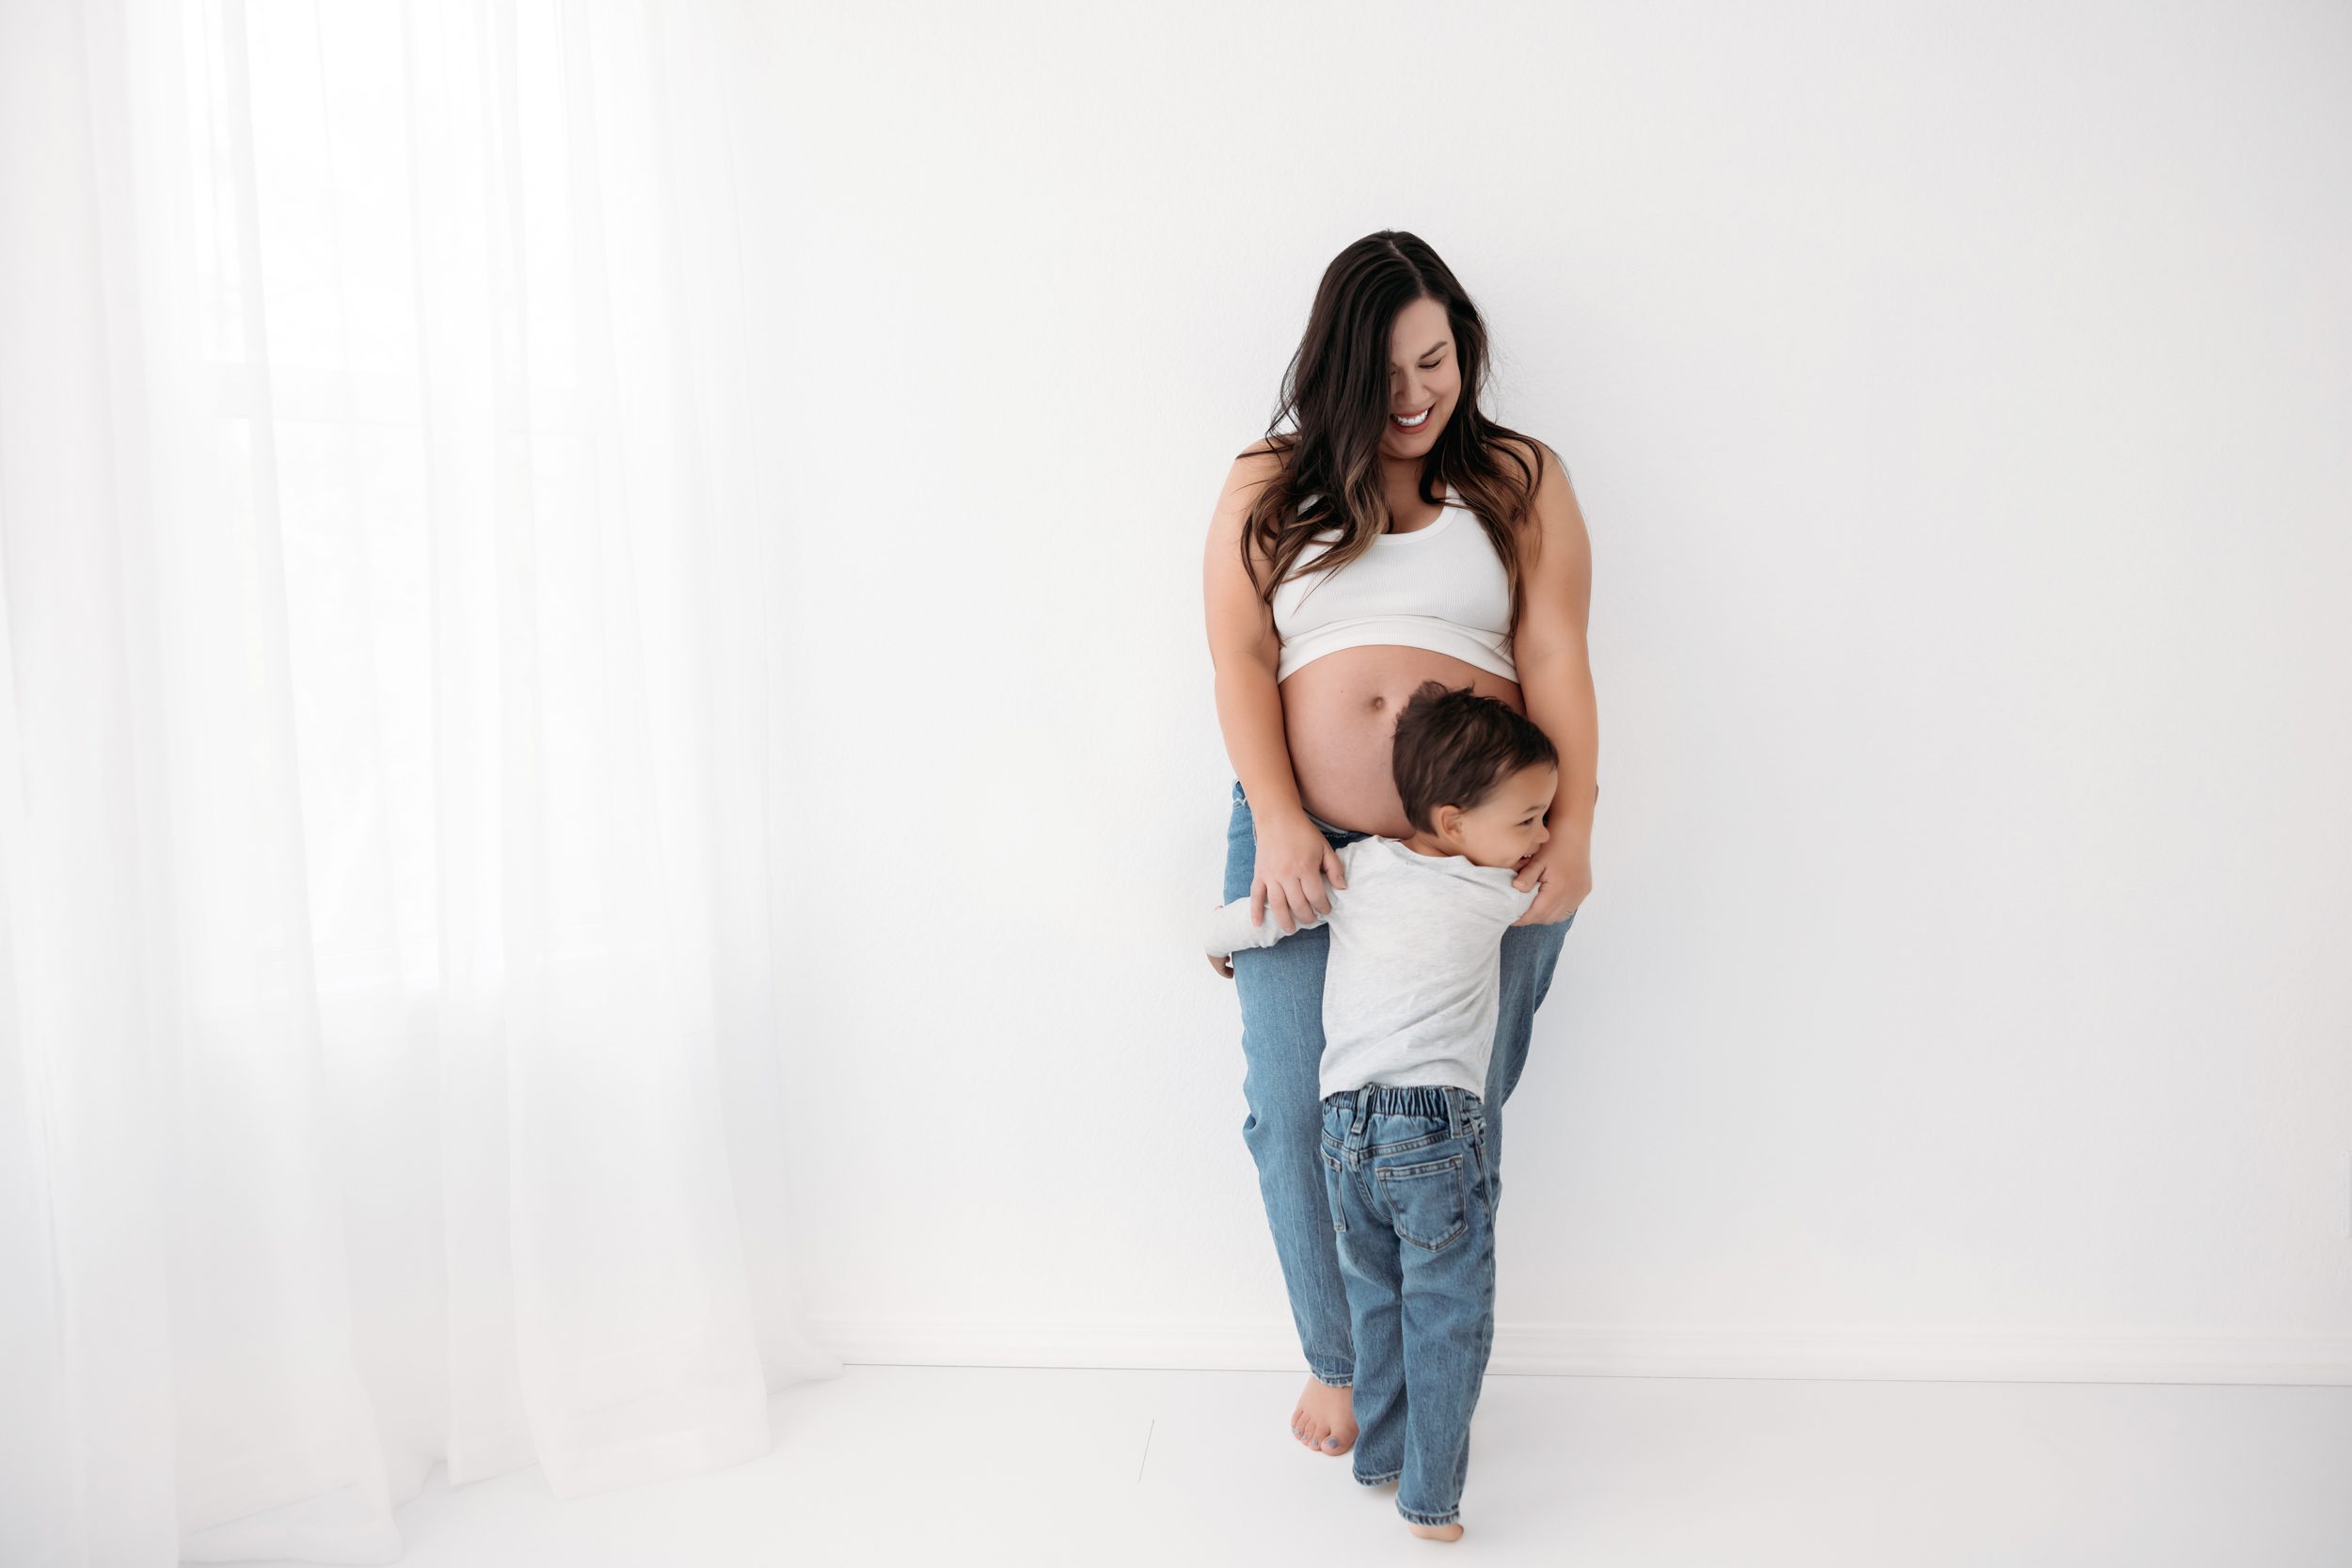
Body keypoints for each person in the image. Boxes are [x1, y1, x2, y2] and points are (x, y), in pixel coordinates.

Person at [1200, 229, 1598, 1464]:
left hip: (1480, 848)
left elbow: (1553, 658)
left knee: (1446, 1112)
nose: (1417, 396)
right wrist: (1275, 810)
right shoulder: (1269, 480)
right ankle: (1347, 1362)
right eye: (1384, 378)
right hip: (1302, 834)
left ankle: (1417, 1357)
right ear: (1333, 376)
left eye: (1435, 360)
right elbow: (1242, 658)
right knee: (1288, 1107)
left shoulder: (1521, 476)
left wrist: (1574, 828)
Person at [1204, 684, 1559, 1539]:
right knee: (1446, 1309)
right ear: (1450, 820)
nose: (1541, 839)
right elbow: (1560, 896)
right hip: (1434, 1131)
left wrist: (1221, 946)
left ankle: (1380, 1456)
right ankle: (1431, 1502)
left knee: (1378, 1302)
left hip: (1345, 1133)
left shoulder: (1355, 868)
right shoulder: (1497, 893)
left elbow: (1257, 917)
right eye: (1527, 821)